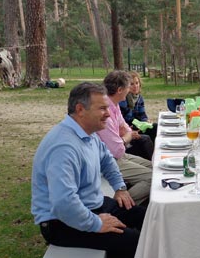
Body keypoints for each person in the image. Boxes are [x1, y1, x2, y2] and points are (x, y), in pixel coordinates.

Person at [31, 82, 146, 258]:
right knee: (136, 242)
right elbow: (63, 203)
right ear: (80, 109)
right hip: (61, 222)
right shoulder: (63, 147)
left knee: (148, 218)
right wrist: (96, 223)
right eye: (102, 108)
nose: (108, 114)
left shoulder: (88, 133)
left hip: (93, 204)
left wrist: (120, 188)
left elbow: (107, 160)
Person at [97, 71, 152, 205]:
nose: (130, 90)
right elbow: (116, 149)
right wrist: (125, 137)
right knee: (153, 179)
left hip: (119, 154)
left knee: (155, 167)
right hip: (109, 159)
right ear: (120, 90)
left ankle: (139, 201)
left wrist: (124, 136)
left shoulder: (114, 105)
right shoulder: (106, 110)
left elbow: (125, 127)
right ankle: (119, 207)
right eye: (128, 86)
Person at [119, 71, 158, 146]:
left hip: (138, 125)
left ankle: (154, 151)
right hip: (128, 128)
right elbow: (126, 118)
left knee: (154, 127)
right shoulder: (123, 98)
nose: (135, 86)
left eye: (137, 83)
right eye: (132, 84)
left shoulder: (139, 98)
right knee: (146, 137)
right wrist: (137, 125)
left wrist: (145, 121)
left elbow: (142, 114)